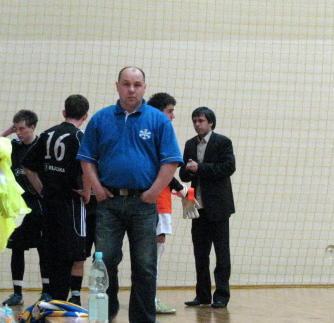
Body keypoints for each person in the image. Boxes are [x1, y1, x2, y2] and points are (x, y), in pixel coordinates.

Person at [77, 67, 183, 323]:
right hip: (109, 205)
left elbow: (170, 162)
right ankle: (107, 312)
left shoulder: (158, 120)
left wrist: (152, 193)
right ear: (117, 86)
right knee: (105, 263)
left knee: (145, 266)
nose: (131, 89)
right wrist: (98, 188)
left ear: (145, 87)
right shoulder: (101, 119)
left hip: (144, 205)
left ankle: (143, 319)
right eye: (126, 84)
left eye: (137, 84)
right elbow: (86, 159)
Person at [22, 94, 90, 302]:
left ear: (64, 112)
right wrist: (87, 192)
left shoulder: (47, 134)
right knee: (74, 253)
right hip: (71, 202)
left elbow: (27, 165)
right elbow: (87, 167)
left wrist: (41, 190)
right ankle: (63, 301)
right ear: (85, 116)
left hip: (49, 202)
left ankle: (54, 299)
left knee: (52, 253)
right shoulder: (79, 137)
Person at [179, 107, 236, 309]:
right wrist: (188, 170)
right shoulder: (189, 144)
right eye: (194, 120)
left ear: (211, 122)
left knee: (222, 253)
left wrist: (199, 168)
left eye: (201, 120)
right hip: (197, 206)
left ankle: (221, 295)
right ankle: (202, 295)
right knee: (200, 253)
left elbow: (229, 167)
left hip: (219, 207)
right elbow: (184, 175)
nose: (197, 124)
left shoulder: (223, 142)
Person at [146, 92, 193, 315]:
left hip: (159, 200)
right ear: (159, 112)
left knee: (152, 251)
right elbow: (166, 166)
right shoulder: (158, 132)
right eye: (170, 111)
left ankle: (147, 297)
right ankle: (149, 299)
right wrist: (182, 189)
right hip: (157, 203)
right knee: (153, 251)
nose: (173, 116)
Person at [0, 110, 51, 306]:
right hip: (18, 206)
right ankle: (17, 293)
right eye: (16, 128)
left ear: (32, 127)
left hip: (38, 204)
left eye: (22, 129)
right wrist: (8, 131)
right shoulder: (13, 146)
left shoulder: (42, 147)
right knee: (17, 249)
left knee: (43, 248)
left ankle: (46, 291)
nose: (19, 133)